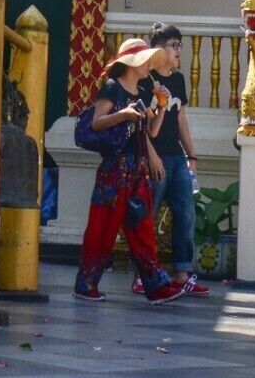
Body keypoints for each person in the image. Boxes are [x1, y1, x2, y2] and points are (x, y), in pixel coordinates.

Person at [71, 37, 182, 305]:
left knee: (142, 226)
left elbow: (151, 132)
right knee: (102, 227)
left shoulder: (143, 91)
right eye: (144, 61)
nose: (149, 67)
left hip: (137, 168)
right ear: (132, 64)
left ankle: (156, 286)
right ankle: (86, 283)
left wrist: (162, 106)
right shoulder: (112, 88)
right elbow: (97, 124)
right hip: (115, 168)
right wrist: (124, 114)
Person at [138, 23, 211, 297]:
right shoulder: (146, 80)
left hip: (177, 157)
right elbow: (141, 126)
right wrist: (151, 155)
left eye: (180, 44)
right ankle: (144, 275)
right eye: (173, 45)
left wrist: (191, 154)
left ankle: (182, 273)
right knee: (148, 215)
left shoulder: (178, 79)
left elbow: (180, 117)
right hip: (153, 156)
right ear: (159, 48)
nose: (179, 49)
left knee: (186, 213)